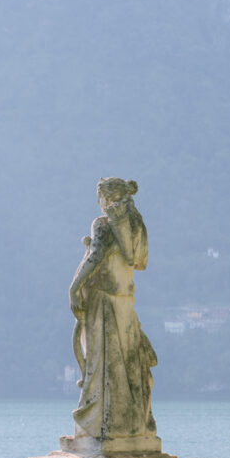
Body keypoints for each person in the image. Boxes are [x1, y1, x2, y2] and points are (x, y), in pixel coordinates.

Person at [69, 178, 157, 440]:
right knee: (130, 363)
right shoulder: (137, 224)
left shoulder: (104, 224)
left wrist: (74, 287)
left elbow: (94, 257)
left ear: (105, 198)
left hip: (104, 299)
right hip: (125, 300)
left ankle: (102, 424)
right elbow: (139, 262)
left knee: (103, 365)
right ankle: (132, 424)